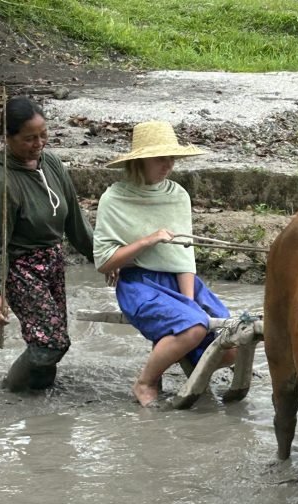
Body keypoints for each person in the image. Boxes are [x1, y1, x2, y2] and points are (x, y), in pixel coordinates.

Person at [93, 121, 235, 407]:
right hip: (137, 283)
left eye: (172, 158)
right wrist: (146, 241)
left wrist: (188, 301)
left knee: (231, 340)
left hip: (181, 280)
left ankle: (190, 365)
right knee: (193, 327)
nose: (168, 165)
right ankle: (145, 383)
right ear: (140, 161)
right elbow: (105, 262)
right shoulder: (114, 198)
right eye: (161, 158)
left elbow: (183, 256)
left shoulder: (178, 196)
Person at [0, 96, 95, 392]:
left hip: (53, 262)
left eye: (43, 134)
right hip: (22, 269)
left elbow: (76, 223)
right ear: (8, 138)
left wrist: (105, 258)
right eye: (29, 138)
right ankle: (9, 391)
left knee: (55, 340)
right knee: (51, 341)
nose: (39, 143)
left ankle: (39, 396)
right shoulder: (0, 183)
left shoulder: (53, 163)